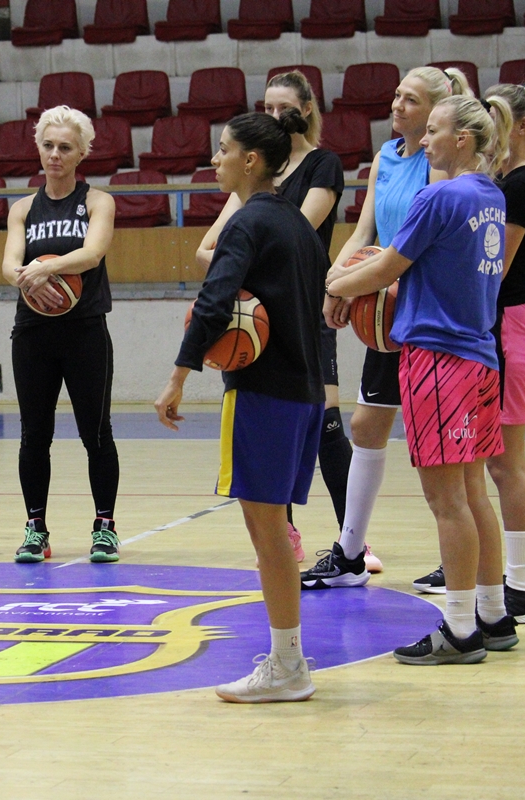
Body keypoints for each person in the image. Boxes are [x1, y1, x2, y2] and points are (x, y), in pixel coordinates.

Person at [326, 94, 517, 665]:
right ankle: (492, 614)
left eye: (433, 131)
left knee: (446, 500)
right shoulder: (491, 195)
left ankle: (458, 629)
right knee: (474, 494)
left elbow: (387, 267)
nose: (424, 141)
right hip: (481, 355)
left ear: (462, 139)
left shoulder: (438, 196)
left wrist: (334, 287)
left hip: (438, 357)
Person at [155, 110, 326, 702]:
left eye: (223, 149)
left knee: (267, 532)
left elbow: (213, 303)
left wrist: (178, 376)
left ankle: (288, 666)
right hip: (305, 393)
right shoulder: (298, 225)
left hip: (264, 394)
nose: (215, 159)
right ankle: (288, 660)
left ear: (250, 160)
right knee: (274, 530)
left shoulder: (247, 222)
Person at [300, 66, 471, 591]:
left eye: (411, 99)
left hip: (428, 312)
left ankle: (459, 558)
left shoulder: (441, 166)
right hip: (388, 310)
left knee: (442, 451)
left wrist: (354, 285)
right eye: (397, 95)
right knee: (366, 428)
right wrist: (335, 283)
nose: (397, 105)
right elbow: (365, 232)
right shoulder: (386, 157)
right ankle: (350, 554)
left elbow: (417, 245)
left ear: (437, 111)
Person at [409, 81, 525, 623]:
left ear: (520, 127)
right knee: (483, 471)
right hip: (501, 326)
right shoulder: (501, 184)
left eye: (496, 118)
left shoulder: (520, 185)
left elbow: (492, 272)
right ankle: (489, 582)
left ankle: (521, 586)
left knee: (504, 466)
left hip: (507, 325)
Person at [197, 71, 348, 565]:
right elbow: (205, 250)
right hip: (258, 313)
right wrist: (236, 264)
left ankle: (352, 537)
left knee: (327, 422)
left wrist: (240, 257)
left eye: (285, 107)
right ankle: (285, 531)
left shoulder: (321, 164)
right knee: (269, 431)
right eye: (267, 107)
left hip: (304, 308)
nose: (276, 114)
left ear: (306, 111)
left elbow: (293, 235)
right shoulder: (248, 179)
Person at [1, 105, 119, 563]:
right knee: (34, 434)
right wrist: (25, 276)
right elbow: (8, 265)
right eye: (48, 145)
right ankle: (36, 528)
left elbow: (93, 253)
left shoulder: (97, 202)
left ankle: (104, 527)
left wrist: (43, 269)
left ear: (81, 153)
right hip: (33, 333)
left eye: (65, 147)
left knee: (96, 433)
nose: (54, 154)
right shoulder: (22, 209)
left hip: (85, 330)